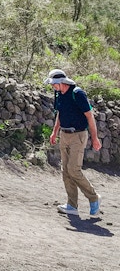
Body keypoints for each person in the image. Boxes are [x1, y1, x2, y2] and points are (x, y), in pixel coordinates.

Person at [45, 69, 102, 217]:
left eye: (53, 84)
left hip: (78, 136)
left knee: (74, 170)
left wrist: (95, 138)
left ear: (60, 83)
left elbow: (90, 117)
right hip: (64, 134)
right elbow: (60, 113)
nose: (52, 87)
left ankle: (93, 197)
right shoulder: (59, 94)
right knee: (66, 171)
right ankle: (72, 205)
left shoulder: (77, 93)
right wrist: (55, 131)